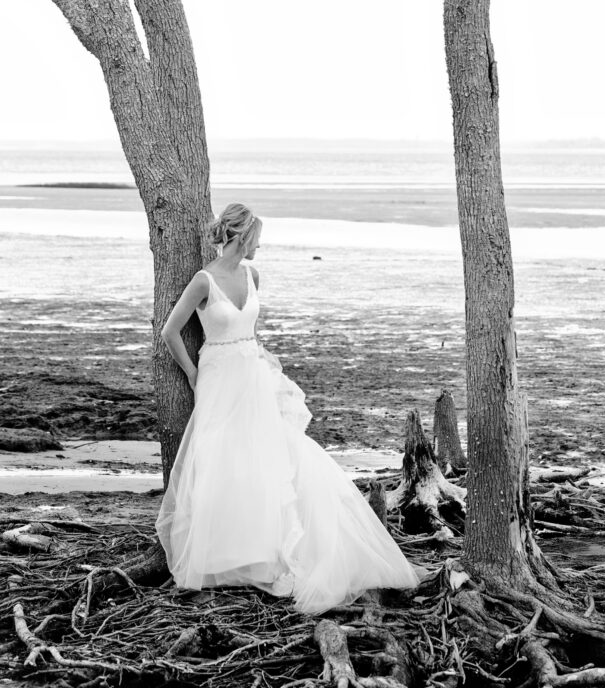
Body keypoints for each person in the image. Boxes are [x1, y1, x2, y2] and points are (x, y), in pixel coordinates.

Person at [155, 203, 420, 614]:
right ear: (242, 236)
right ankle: (221, 556)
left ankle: (267, 552)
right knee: (220, 459)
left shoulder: (252, 275)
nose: (260, 243)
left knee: (268, 458)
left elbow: (251, 332)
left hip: (252, 374)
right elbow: (170, 331)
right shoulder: (203, 280)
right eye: (257, 236)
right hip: (218, 376)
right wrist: (191, 374)